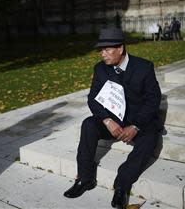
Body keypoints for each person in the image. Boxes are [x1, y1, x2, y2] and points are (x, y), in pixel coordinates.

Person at [63, 27, 162, 209]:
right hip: (113, 122)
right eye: (101, 50)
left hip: (138, 122)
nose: (102, 54)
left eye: (107, 49)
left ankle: (122, 185)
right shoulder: (100, 69)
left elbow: (153, 100)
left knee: (151, 137)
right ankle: (85, 178)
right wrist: (107, 121)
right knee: (88, 124)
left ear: (121, 49)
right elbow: (93, 99)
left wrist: (135, 126)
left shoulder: (144, 67)